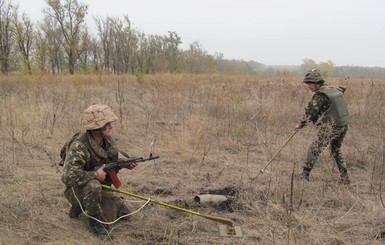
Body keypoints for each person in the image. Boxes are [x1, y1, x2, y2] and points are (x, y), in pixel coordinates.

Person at [61, 104, 136, 239]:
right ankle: (95, 224)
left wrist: (123, 165)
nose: (111, 127)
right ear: (97, 127)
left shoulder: (107, 140)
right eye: (107, 124)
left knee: (124, 213)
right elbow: (67, 177)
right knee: (93, 185)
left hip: (99, 187)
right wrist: (96, 175)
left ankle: (82, 206)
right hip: (76, 190)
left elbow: (108, 162)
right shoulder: (79, 146)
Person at [295, 69, 351, 184]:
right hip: (343, 125)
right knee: (336, 149)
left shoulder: (321, 95)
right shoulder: (333, 89)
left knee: (314, 149)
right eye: (307, 83)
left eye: (310, 84)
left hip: (331, 127)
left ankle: (304, 176)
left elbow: (310, 113)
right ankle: (345, 178)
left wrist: (301, 124)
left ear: (316, 83)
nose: (308, 86)